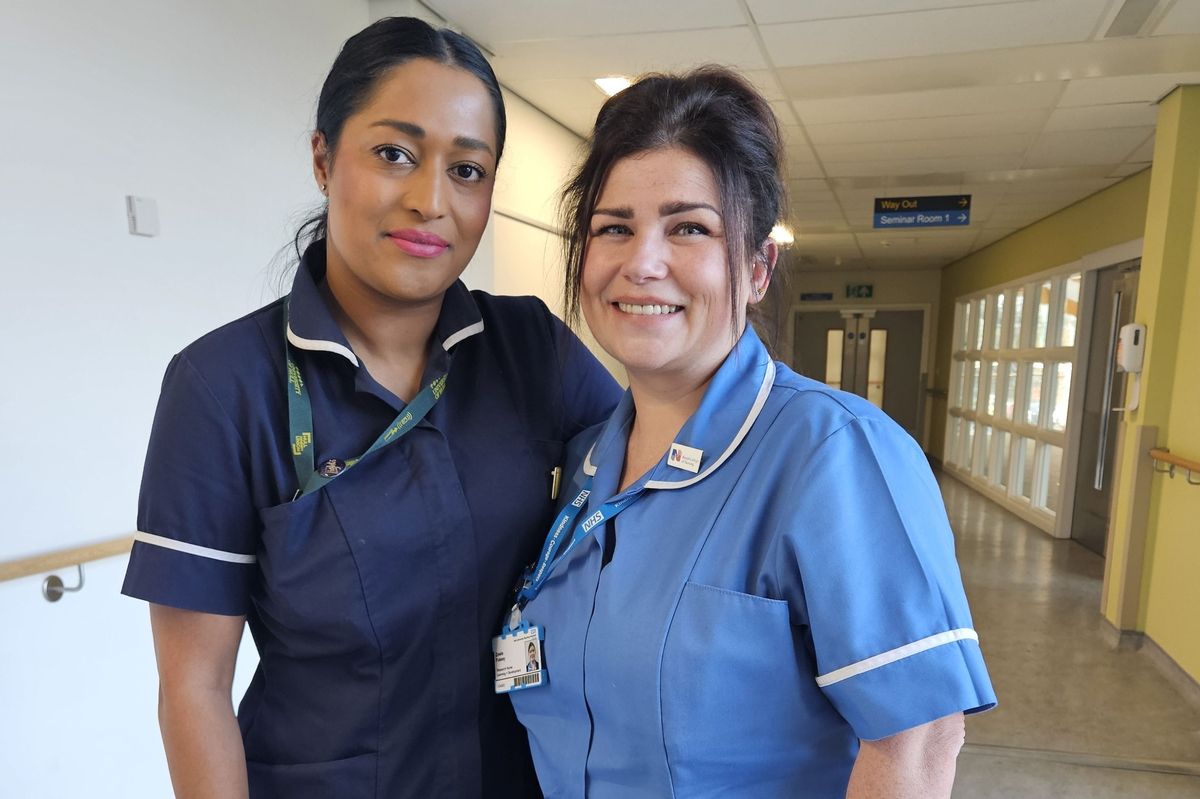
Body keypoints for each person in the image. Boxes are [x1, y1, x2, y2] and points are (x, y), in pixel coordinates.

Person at [121, 16, 620, 798]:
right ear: (324, 159)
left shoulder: (530, 349)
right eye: (395, 153)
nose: (430, 201)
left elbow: (663, 470)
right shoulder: (223, 386)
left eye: (467, 169)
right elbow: (194, 689)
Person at [504, 66, 996, 798]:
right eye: (614, 227)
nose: (642, 262)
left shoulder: (832, 455)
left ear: (758, 266)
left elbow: (918, 742)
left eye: (689, 228)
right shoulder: (587, 461)